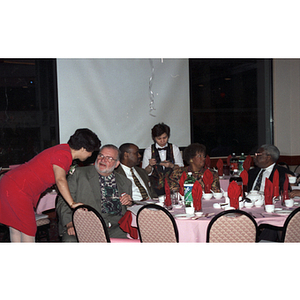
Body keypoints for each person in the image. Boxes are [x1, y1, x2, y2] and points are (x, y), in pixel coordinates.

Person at [0, 128, 101, 242]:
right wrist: (73, 204)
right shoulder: (64, 154)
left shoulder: (62, 149)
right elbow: (60, 180)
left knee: (17, 228)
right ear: (83, 149)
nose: (90, 155)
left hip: (10, 184)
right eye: (91, 151)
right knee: (28, 229)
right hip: (18, 189)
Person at [56, 144, 133, 241]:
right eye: (101, 155)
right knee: (70, 241)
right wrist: (70, 223)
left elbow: (129, 211)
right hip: (86, 226)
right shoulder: (79, 174)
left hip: (117, 228)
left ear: (117, 164)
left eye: (109, 158)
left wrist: (129, 203)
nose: (103, 160)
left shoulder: (125, 182)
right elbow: (63, 201)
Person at [142, 123, 184, 196]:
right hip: (155, 188)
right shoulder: (149, 150)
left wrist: (172, 166)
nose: (162, 141)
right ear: (154, 138)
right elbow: (144, 173)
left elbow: (181, 169)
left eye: (165, 137)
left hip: (173, 187)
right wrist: (150, 165)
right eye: (159, 138)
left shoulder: (174, 148)